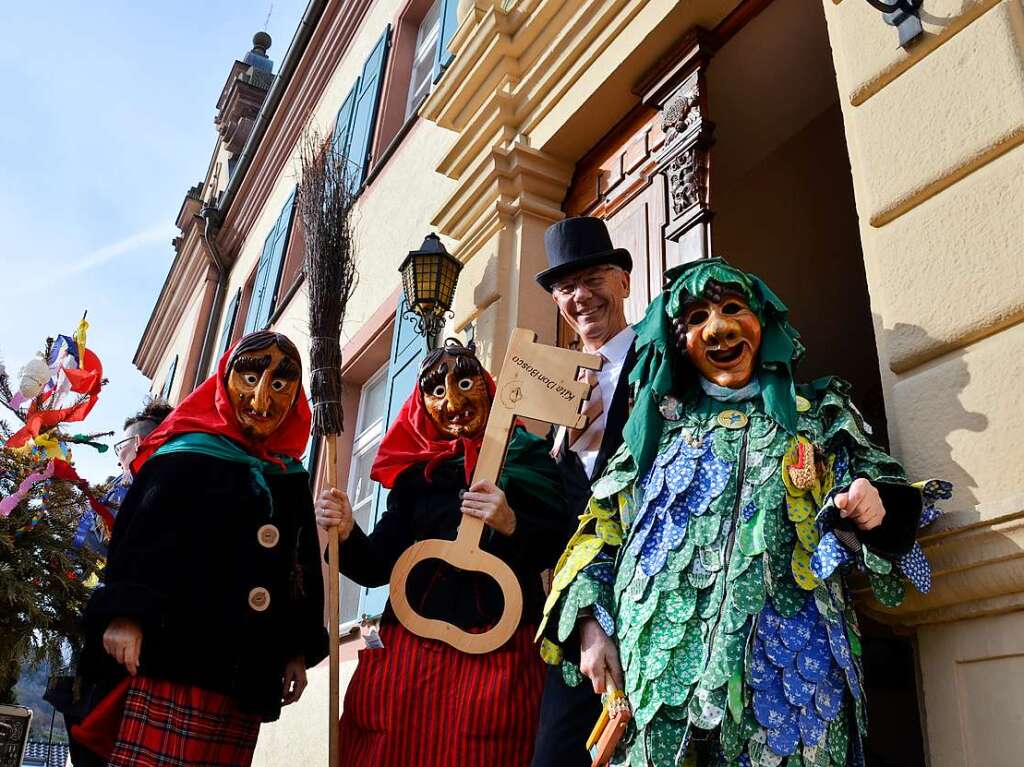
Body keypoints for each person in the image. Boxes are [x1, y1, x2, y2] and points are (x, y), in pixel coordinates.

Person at [539, 258, 950, 766]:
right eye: (695, 319)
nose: (719, 328)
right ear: (679, 344)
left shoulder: (819, 415)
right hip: (660, 686)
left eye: (734, 309)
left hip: (789, 681)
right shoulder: (653, 433)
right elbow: (597, 535)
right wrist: (591, 626)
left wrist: (872, 505)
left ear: (762, 323)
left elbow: (894, 500)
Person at [75, 331, 328, 767]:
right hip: (172, 660)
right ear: (225, 380)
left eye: (281, 384)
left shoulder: (287, 476)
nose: (262, 397)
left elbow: (299, 564)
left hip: (242, 673)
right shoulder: (183, 455)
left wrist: (296, 649)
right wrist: (125, 614)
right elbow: (142, 539)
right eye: (249, 377)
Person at [314, 338, 569, 767]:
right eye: (435, 391)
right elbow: (377, 565)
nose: (452, 400)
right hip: (409, 653)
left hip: (498, 655)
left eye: (465, 382)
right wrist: (345, 534)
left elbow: (556, 548)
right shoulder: (418, 478)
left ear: (489, 389)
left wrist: (511, 523)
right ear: (421, 404)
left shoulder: (529, 457)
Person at [531, 216, 638, 767]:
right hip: (578, 611)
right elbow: (561, 507)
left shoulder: (663, 360)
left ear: (623, 279)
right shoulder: (550, 383)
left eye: (593, 277)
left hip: (654, 595)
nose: (580, 297)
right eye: (564, 288)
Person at [44, 398, 174, 767]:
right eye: (122, 447)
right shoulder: (111, 491)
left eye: (130, 444)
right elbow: (75, 554)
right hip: (82, 645)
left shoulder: (164, 493)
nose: (123, 456)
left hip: (133, 656)